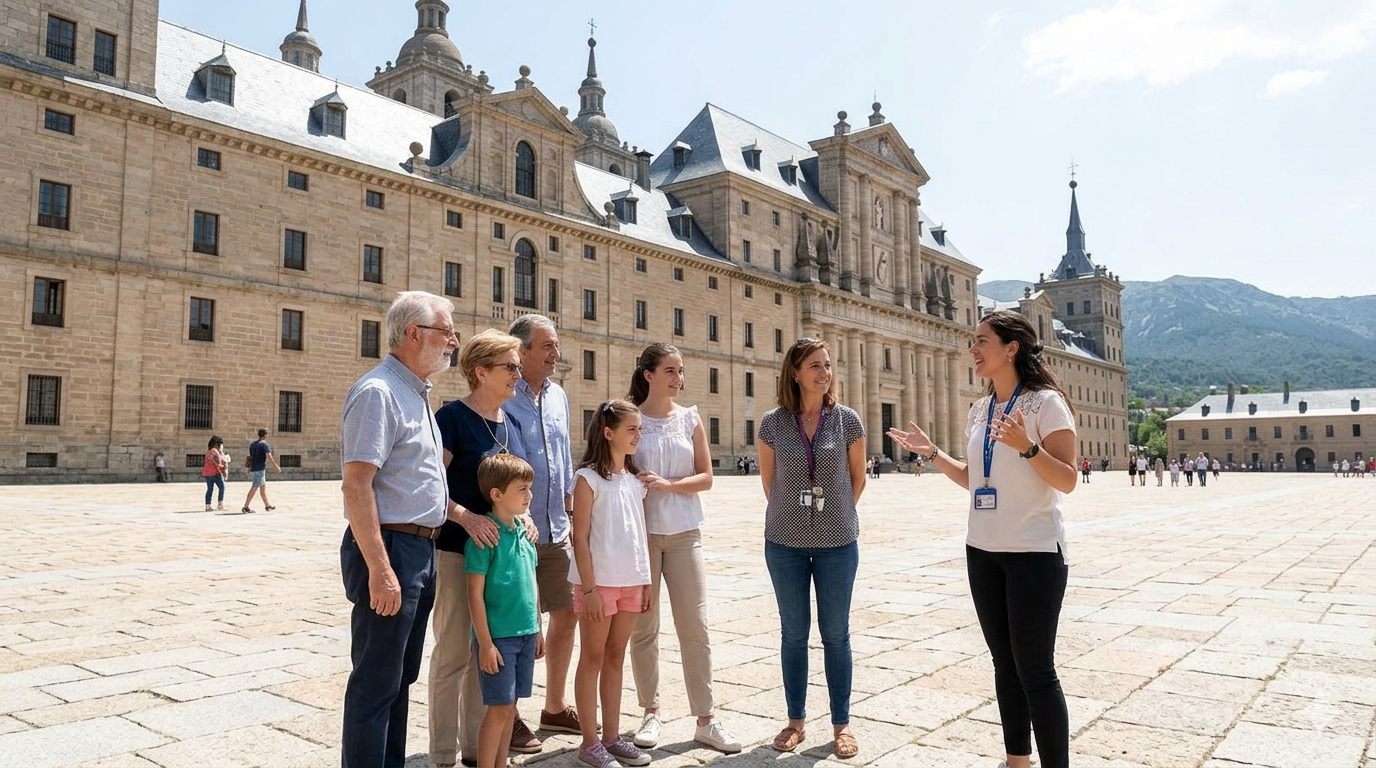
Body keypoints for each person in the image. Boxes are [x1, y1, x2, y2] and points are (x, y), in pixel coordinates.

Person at [887, 309, 1078, 768]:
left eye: (981, 341)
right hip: (983, 550)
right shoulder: (982, 408)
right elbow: (976, 479)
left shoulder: (1046, 404)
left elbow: (1067, 479)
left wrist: (1027, 447)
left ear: (1011, 348)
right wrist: (933, 453)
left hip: (1034, 551)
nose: (972, 349)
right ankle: (1017, 761)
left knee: (1036, 670)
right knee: (1004, 664)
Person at [338, 291, 460, 768]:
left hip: (420, 550)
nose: (453, 342)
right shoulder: (379, 393)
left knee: (399, 678)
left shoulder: (416, 394)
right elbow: (357, 485)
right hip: (391, 548)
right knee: (375, 682)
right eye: (446, 332)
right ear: (414, 334)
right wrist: (381, 569)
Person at [625, 344, 741, 754]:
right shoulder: (630, 418)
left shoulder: (690, 418)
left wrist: (669, 485)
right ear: (648, 375)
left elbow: (706, 477)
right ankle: (650, 711)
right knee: (644, 627)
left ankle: (706, 719)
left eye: (680, 371)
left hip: (685, 531)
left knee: (695, 625)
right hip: (640, 535)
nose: (679, 378)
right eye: (670, 371)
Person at [757, 337, 866, 759]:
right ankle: (795, 721)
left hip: (837, 542)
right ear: (795, 373)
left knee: (836, 634)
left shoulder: (847, 420)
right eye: (815, 366)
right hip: (784, 543)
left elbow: (857, 479)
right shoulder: (772, 423)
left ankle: (842, 724)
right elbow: (769, 482)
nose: (825, 373)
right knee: (793, 633)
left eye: (828, 365)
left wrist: (832, 513)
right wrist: (795, 515)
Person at [431, 330, 533, 768]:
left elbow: (517, 488)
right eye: (510, 367)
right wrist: (467, 517)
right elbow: (431, 487)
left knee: (485, 656)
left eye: (518, 367)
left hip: (504, 563)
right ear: (481, 371)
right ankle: (442, 754)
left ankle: (479, 750)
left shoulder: (513, 425)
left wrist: (525, 518)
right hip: (458, 552)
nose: (518, 375)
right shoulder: (451, 419)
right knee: (454, 653)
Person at [503, 314, 584, 740]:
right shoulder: (504, 394)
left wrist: (571, 510)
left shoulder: (559, 396)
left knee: (567, 613)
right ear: (522, 351)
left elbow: (563, 456)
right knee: (516, 623)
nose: (556, 353)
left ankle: (554, 707)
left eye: (556, 345)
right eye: (548, 346)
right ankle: (509, 714)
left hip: (556, 528)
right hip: (517, 530)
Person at [570, 400, 654, 768]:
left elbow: (640, 533)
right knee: (592, 658)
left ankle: (613, 736)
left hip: (631, 581)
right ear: (608, 433)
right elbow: (579, 536)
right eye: (631, 429)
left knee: (616, 656)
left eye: (640, 429)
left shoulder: (636, 482)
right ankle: (589, 743)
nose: (638, 435)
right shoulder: (587, 479)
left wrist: (646, 581)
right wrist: (588, 589)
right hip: (598, 584)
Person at [468, 453, 545, 768]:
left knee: (509, 707)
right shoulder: (484, 540)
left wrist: (538, 629)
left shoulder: (526, 535)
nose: (530, 496)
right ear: (497, 494)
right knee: (499, 709)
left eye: (530, 488)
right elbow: (474, 595)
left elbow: (533, 585)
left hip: (526, 635)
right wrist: (485, 643)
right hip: (499, 640)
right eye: (522, 489)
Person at [241, 429, 282, 514]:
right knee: (254, 487)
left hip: (255, 468)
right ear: (265, 435)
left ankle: (267, 505)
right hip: (259, 469)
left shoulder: (253, 444)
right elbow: (269, 456)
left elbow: (251, 458)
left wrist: (249, 469)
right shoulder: (264, 444)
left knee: (262, 488)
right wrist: (276, 466)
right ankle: (245, 506)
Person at [201, 436, 227, 511]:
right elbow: (217, 462)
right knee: (221, 487)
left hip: (208, 473)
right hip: (215, 473)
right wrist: (224, 467)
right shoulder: (214, 451)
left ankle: (208, 505)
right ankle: (220, 504)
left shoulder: (209, 451)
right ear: (216, 444)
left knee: (210, 489)